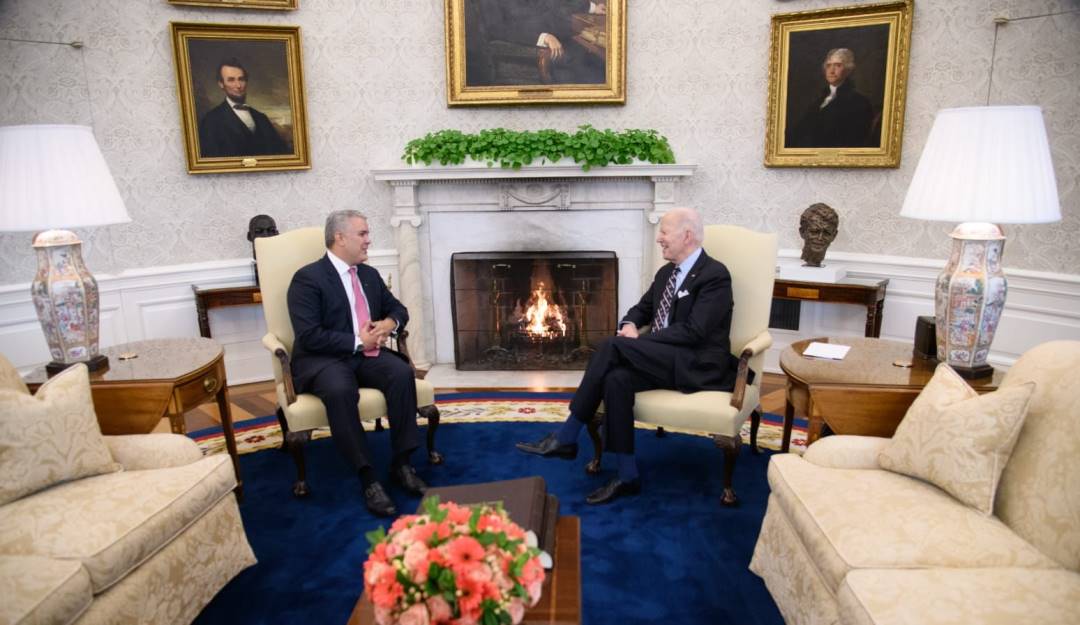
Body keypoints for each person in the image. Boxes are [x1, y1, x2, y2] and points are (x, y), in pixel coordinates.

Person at [516, 207, 742, 504]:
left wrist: (640, 339)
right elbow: (641, 309)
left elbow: (695, 331)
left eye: (663, 231)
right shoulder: (666, 274)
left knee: (611, 346)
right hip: (662, 358)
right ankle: (627, 474)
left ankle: (568, 435)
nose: (659, 238)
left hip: (696, 363)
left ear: (687, 236)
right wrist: (630, 324)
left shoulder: (715, 275)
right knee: (616, 378)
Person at [287, 210, 426, 517]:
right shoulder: (307, 279)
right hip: (323, 360)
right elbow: (309, 336)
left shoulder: (368, 275)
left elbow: (399, 309)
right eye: (362, 234)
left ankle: (402, 463)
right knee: (339, 390)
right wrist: (358, 341)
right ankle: (368, 478)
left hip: (366, 356)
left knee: (401, 373)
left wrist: (389, 323)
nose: (368, 240)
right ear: (339, 238)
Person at [466, 0, 606, 85]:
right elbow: (496, 29)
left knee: (600, 62)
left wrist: (591, 7)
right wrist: (542, 37)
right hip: (539, 53)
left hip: (567, 42)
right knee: (591, 76)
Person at [198, 58, 290, 158]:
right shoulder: (211, 120)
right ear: (221, 84)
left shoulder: (261, 118)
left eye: (241, 79)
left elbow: (281, 153)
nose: (238, 85)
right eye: (231, 80)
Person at [786, 48, 876, 148]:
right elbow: (799, 132)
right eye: (828, 65)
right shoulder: (818, 101)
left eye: (838, 65)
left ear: (848, 70)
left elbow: (854, 140)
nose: (831, 70)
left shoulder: (859, 102)